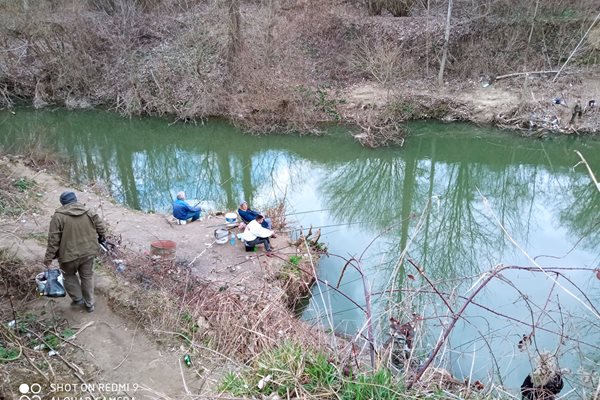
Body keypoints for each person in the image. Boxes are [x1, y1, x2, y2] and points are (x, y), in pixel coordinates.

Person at [43, 191, 107, 313]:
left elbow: (53, 240)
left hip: (68, 255)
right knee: (87, 276)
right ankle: (90, 304)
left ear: (62, 203)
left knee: (68, 275)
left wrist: (48, 258)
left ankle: (78, 299)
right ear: (75, 199)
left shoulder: (58, 216)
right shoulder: (89, 211)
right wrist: (102, 237)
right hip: (88, 252)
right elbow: (101, 227)